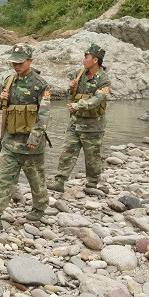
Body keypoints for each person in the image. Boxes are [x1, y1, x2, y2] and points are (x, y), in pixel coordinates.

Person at [0, 43, 52, 232]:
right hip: (10, 142)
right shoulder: (9, 81)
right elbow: (4, 110)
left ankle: (40, 206)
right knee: (4, 179)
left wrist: (35, 139)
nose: (16, 66)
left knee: (36, 179)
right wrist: (2, 99)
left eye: (20, 62)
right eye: (14, 63)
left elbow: (44, 114)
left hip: (31, 144)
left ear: (30, 61)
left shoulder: (40, 85)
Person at [49, 43, 111, 193]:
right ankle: (59, 181)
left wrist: (78, 105)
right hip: (76, 122)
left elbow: (97, 100)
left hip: (93, 125)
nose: (84, 59)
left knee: (92, 156)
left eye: (86, 57)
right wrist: (72, 87)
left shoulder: (104, 79)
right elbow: (73, 94)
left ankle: (92, 183)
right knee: (67, 151)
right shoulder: (81, 73)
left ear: (95, 60)